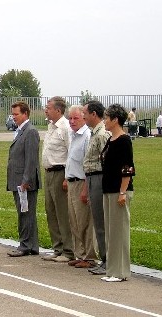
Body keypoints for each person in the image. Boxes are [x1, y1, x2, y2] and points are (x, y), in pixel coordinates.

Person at [99, 103, 136, 282]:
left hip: (118, 191)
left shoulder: (124, 140)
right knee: (110, 233)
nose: (104, 121)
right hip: (108, 189)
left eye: (106, 118)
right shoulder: (110, 139)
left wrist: (123, 192)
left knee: (119, 232)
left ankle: (120, 272)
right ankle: (112, 270)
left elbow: (127, 168)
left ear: (115, 120)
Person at [40, 97, 74, 263]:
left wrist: (67, 177)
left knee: (62, 212)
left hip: (60, 172)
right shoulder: (51, 127)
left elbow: (71, 153)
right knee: (51, 211)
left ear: (58, 110)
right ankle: (57, 248)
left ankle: (68, 251)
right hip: (48, 173)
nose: (46, 110)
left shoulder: (65, 128)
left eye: (49, 108)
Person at [64, 105, 99, 269]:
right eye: (70, 118)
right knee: (74, 221)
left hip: (81, 182)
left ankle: (89, 256)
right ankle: (80, 253)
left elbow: (88, 165)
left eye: (75, 118)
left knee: (84, 221)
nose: (71, 121)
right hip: (71, 182)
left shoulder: (86, 136)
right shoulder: (73, 135)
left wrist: (85, 188)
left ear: (84, 118)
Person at [6, 101, 40, 258]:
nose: (13, 117)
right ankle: (32, 245)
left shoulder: (30, 131)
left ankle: (25, 244)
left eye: (16, 114)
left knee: (25, 212)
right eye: (12, 114)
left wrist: (25, 180)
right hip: (18, 179)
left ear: (25, 114)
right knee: (25, 212)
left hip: (24, 182)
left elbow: (31, 159)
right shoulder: (20, 131)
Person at [83, 100, 112, 275]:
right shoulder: (95, 133)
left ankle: (108, 260)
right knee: (98, 222)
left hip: (99, 178)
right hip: (93, 178)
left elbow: (106, 161)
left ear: (94, 114)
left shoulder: (102, 135)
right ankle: (105, 259)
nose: (83, 116)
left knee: (101, 222)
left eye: (85, 113)